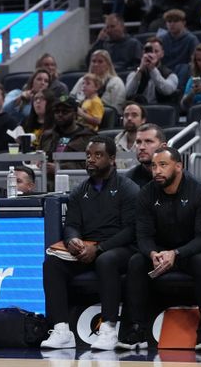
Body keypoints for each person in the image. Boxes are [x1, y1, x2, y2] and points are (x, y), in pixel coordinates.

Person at [40, 136, 139, 350]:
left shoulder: (128, 188)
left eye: (97, 155)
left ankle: (109, 330)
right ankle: (62, 330)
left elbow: (132, 230)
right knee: (52, 263)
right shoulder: (80, 191)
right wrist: (73, 239)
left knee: (106, 260)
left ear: (112, 159)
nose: (90, 160)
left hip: (120, 248)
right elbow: (72, 224)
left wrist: (100, 248)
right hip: (88, 248)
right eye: (88, 155)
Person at [118, 147, 201, 352]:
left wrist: (177, 253)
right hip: (162, 251)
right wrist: (152, 253)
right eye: (154, 166)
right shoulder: (146, 193)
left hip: (195, 250)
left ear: (179, 166)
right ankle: (137, 328)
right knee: (137, 261)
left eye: (163, 165)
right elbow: (144, 235)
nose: (157, 171)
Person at [39, 95, 96, 179]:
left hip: (76, 182)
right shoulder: (47, 136)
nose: (60, 115)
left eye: (65, 112)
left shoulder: (88, 137)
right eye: (57, 112)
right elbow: (40, 158)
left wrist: (60, 168)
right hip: (47, 183)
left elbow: (93, 164)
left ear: (75, 114)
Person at [125, 38, 180, 105]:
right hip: (140, 111)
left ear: (162, 54)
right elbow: (128, 93)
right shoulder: (134, 73)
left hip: (161, 111)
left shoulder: (170, 75)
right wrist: (140, 70)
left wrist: (152, 69)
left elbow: (167, 90)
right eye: (148, 51)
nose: (151, 54)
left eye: (156, 51)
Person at [157, 9, 200, 75]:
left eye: (175, 21)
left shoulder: (191, 39)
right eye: (169, 21)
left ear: (184, 23)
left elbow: (194, 61)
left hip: (183, 73)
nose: (172, 24)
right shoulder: (161, 39)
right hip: (165, 73)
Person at [125, 123, 167, 188]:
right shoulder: (128, 179)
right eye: (138, 142)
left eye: (148, 141)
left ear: (163, 147)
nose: (141, 147)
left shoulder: (178, 177)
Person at [113, 103, 146, 167]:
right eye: (126, 115)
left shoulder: (149, 143)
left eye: (134, 115)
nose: (129, 118)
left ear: (143, 120)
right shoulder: (115, 143)